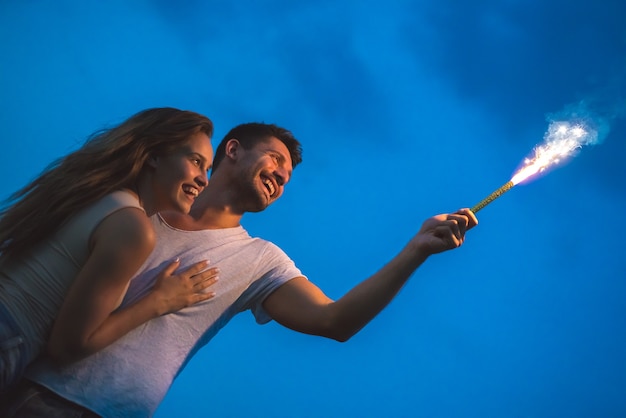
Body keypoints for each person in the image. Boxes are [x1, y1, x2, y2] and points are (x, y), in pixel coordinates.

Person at [2, 122, 478, 417]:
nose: (281, 175)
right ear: (231, 150)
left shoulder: (260, 260)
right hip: (36, 388)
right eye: (275, 159)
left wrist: (415, 250)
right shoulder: (140, 209)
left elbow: (337, 322)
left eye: (287, 177)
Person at [0, 107, 220, 393]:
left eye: (207, 169)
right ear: (154, 155)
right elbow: (66, 347)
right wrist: (158, 301)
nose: (204, 180)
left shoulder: (94, 192)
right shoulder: (133, 229)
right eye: (195, 161)